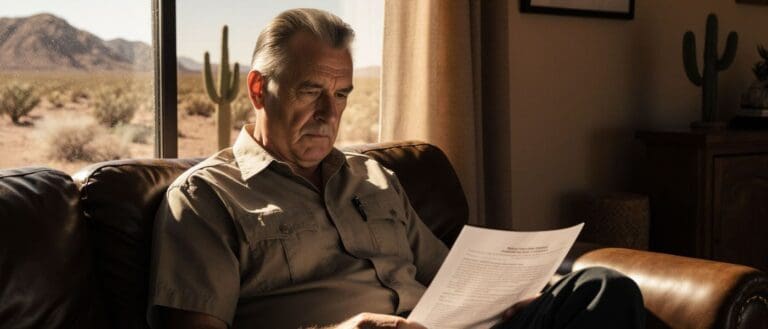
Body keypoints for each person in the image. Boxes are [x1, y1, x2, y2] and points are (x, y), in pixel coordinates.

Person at [147, 8, 645, 329]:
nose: (329, 114)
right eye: (309, 91)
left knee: (601, 287)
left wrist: (510, 295)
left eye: (340, 95)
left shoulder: (374, 176)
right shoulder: (206, 198)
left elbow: (445, 274)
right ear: (259, 90)